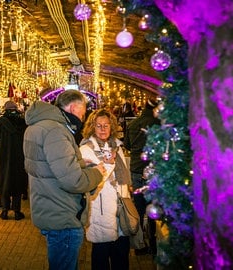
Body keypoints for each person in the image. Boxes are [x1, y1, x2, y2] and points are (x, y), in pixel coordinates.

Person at [23, 90, 105, 269]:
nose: (82, 119)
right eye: (83, 113)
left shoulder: (38, 126)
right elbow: (73, 180)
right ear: (74, 107)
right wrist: (97, 172)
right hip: (63, 214)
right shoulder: (56, 131)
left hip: (49, 205)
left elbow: (51, 167)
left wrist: (81, 163)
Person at [79, 108, 132, 270]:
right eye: (98, 126)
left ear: (112, 127)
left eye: (106, 125)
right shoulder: (86, 149)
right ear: (92, 127)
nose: (103, 129)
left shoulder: (117, 146)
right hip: (100, 208)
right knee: (101, 255)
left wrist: (127, 192)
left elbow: (124, 176)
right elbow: (91, 181)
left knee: (121, 254)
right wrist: (108, 164)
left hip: (121, 205)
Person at [123, 97, 161, 256]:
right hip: (153, 170)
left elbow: (127, 146)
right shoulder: (158, 125)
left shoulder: (133, 124)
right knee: (154, 209)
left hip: (137, 169)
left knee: (138, 209)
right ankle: (154, 245)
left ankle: (139, 245)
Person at [0, 101, 28, 220]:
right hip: (19, 155)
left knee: (4, 180)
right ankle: (17, 211)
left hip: (4, 156)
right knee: (17, 182)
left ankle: (5, 211)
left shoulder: (1, 122)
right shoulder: (22, 122)